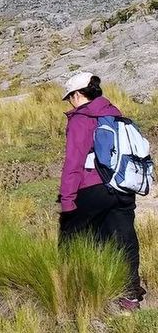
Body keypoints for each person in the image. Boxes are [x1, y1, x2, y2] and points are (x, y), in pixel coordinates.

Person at [58, 72, 146, 310]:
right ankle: (130, 296)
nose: (70, 102)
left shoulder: (81, 118)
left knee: (71, 236)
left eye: (70, 98)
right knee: (124, 238)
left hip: (92, 187)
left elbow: (73, 163)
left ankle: (74, 291)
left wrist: (67, 200)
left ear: (78, 95)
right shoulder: (114, 114)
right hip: (122, 185)